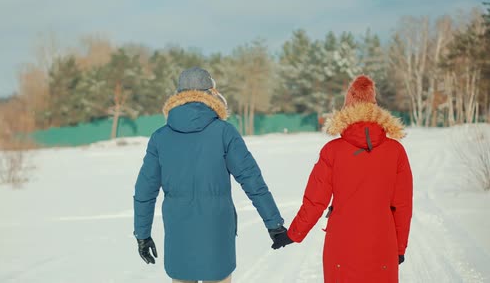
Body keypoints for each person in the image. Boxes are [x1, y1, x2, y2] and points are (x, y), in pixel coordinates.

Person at [133, 67, 289, 283]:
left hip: (179, 233)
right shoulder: (224, 132)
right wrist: (273, 223)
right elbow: (252, 180)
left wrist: (142, 234)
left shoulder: (160, 137)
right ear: (212, 94)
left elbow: (145, 190)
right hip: (217, 233)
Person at [272, 75, 413, 283]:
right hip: (383, 246)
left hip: (341, 248)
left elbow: (315, 201)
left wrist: (293, 234)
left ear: (347, 110)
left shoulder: (332, 151)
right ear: (375, 109)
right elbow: (402, 206)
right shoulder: (396, 151)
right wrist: (399, 247)